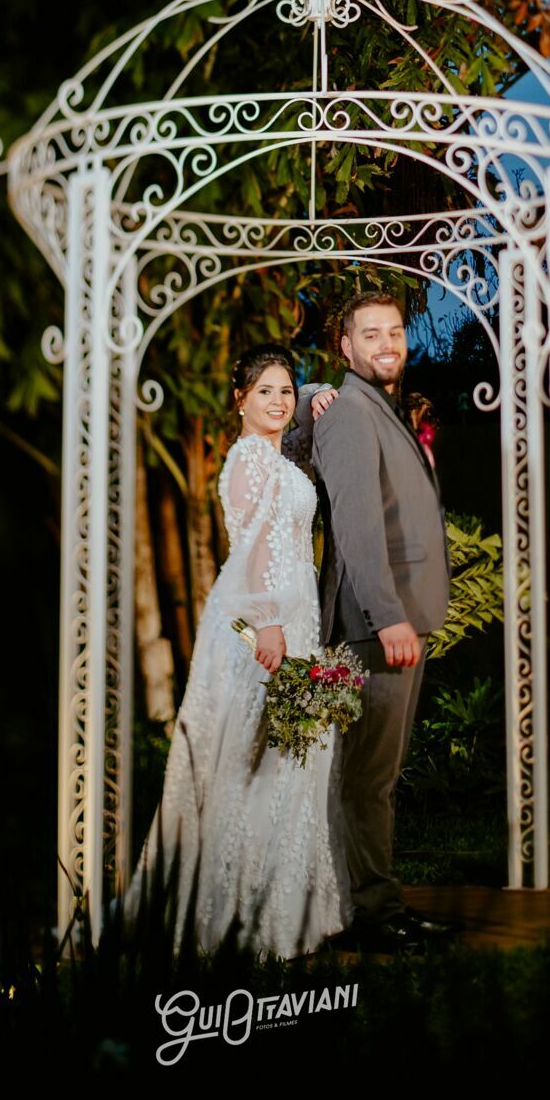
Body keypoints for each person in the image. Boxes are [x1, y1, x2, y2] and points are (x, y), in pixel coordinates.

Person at [124, 345, 350, 959]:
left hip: (293, 619)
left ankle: (281, 903)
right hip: (261, 623)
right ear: (239, 400)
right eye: (265, 393)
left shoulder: (275, 452)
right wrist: (270, 623)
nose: (278, 402)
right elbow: (250, 549)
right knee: (254, 761)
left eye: (285, 391)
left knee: (285, 761)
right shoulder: (249, 457)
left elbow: (300, 410)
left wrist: (311, 394)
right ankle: (238, 910)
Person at [296, 291, 451, 949]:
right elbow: (357, 525)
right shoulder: (349, 413)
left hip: (396, 619)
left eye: (395, 330)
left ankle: (376, 904)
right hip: (373, 624)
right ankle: (374, 916)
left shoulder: (378, 407)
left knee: (373, 777)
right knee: (367, 778)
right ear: (345, 347)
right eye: (371, 334)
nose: (387, 342)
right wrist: (387, 617)